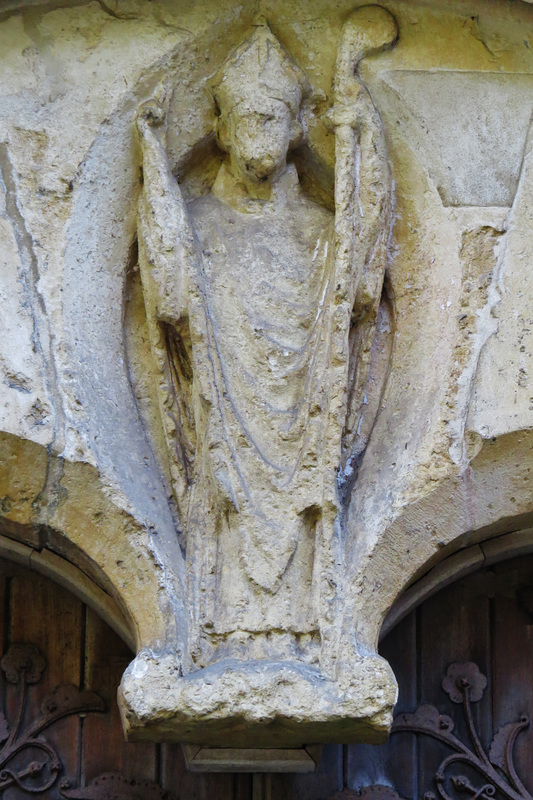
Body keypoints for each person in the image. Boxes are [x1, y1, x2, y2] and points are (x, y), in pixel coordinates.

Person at [135, 15, 395, 671]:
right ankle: (222, 634)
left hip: (301, 434)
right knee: (224, 501)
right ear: (220, 129)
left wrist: (362, 141)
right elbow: (169, 300)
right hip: (223, 430)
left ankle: (308, 631)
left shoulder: (319, 230)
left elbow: (358, 288)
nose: (261, 135)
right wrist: (148, 153)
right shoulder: (194, 224)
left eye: (273, 119)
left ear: (296, 126)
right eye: (247, 119)